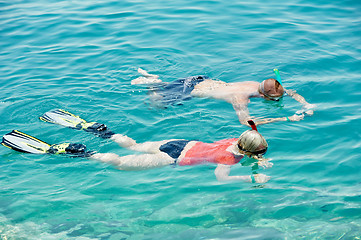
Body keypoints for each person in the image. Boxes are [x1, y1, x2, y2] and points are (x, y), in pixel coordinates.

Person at [2, 109, 273, 184]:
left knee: (133, 145)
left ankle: (102, 131)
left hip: (179, 143)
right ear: (250, 152)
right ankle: (83, 152)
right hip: (173, 160)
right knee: (120, 164)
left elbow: (251, 132)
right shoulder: (230, 159)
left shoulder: (234, 140)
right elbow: (219, 179)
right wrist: (251, 176)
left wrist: (255, 144)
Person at [131, 68, 315, 126]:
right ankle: (151, 82)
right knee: (155, 103)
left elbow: (287, 91)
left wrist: (306, 104)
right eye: (274, 99)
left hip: (200, 80)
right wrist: (285, 118)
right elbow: (246, 122)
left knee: (167, 87)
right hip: (190, 92)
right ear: (264, 95)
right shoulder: (240, 97)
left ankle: (154, 79)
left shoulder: (256, 85)